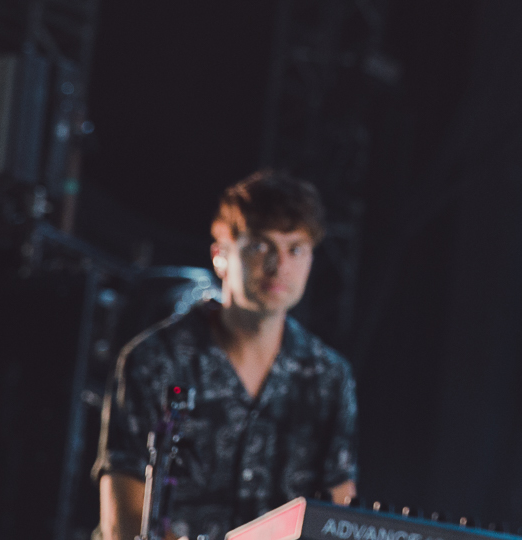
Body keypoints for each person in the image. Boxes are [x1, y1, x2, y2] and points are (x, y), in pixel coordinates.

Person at [95, 171, 357, 540]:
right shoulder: (155, 360)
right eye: (260, 246)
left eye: (295, 249)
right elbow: (124, 520)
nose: (278, 265)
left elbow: (338, 510)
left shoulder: (329, 377)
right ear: (221, 255)